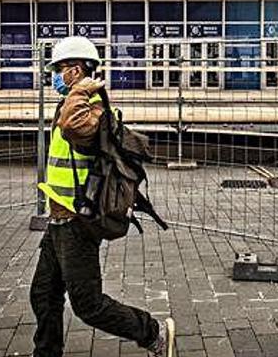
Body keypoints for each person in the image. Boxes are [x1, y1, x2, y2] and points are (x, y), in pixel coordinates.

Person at [30, 36, 175, 357]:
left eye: (61, 69)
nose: (55, 75)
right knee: (43, 294)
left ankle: (153, 333)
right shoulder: (73, 104)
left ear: (77, 70)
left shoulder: (91, 111)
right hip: (60, 219)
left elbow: (72, 127)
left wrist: (81, 88)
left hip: (77, 222)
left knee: (88, 305)